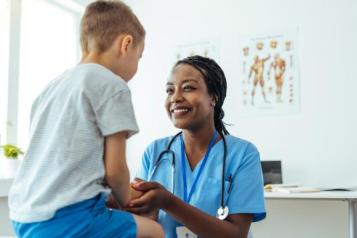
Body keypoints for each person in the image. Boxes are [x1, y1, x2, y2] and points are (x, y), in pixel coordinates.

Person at [8, 1, 163, 237]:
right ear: (126, 44)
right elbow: (115, 171)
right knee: (154, 231)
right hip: (66, 217)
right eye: (139, 58)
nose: (136, 67)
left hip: (24, 216)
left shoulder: (52, 87)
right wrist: (126, 200)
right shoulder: (113, 85)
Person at [127, 55, 266, 238]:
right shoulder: (155, 152)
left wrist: (169, 203)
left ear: (213, 97)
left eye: (188, 88)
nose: (176, 97)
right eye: (170, 90)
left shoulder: (243, 154)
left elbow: (237, 233)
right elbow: (139, 217)